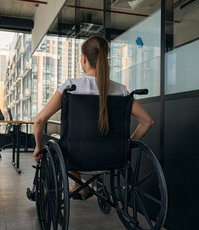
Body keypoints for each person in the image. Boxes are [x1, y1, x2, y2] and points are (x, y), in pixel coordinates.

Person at [33, 36, 154, 200]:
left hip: (77, 158)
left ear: (83, 59)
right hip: (113, 157)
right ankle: (79, 187)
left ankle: (76, 186)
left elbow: (39, 120)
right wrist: (128, 145)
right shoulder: (121, 90)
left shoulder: (71, 87)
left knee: (56, 139)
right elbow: (147, 121)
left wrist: (38, 147)